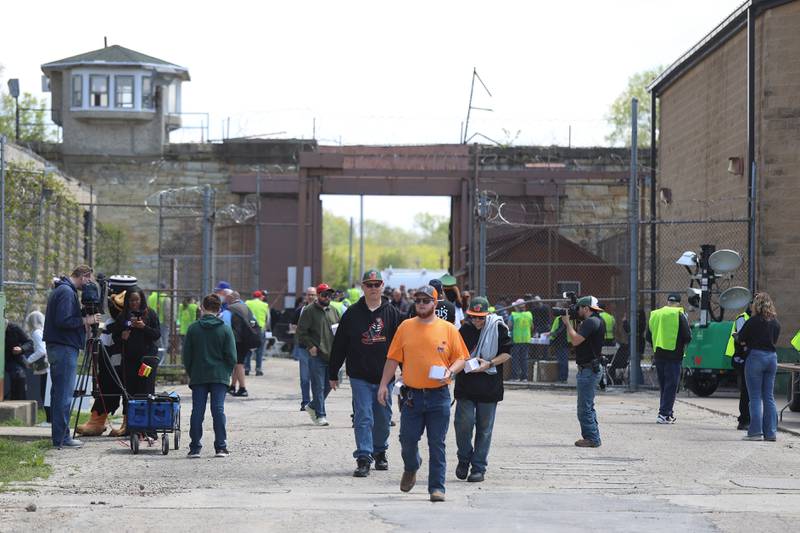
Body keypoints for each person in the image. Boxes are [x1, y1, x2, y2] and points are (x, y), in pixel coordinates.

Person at [378, 285, 469, 503]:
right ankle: (411, 466)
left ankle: (437, 488)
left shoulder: (448, 329)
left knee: (437, 443)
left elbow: (462, 358)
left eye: (426, 301)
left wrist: (450, 370)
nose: (421, 304)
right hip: (412, 396)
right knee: (407, 440)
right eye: (418, 300)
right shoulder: (405, 327)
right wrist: (383, 385)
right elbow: (392, 358)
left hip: (439, 396)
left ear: (435, 304)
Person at [329, 269, 402, 477]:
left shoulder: (393, 313)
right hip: (359, 375)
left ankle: (380, 451)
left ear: (382, 287)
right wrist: (333, 372)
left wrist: (406, 373)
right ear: (363, 287)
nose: (373, 288)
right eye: (369, 285)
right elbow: (340, 345)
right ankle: (363, 457)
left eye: (376, 284)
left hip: (384, 377)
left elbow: (402, 346)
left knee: (383, 417)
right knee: (363, 416)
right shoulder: (352, 313)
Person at [454, 296, 511, 483]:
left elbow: (507, 353)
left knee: (484, 429)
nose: (477, 321)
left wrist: (489, 363)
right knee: (463, 425)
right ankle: (464, 459)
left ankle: (478, 468)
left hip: (489, 386)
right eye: (473, 317)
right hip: (466, 385)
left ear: (488, 315)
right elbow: (455, 354)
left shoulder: (498, 328)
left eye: (481, 317)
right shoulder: (464, 329)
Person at [43, 265, 101, 449]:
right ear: (83, 276)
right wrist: (87, 320)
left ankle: (59, 437)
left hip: (58, 346)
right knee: (64, 395)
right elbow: (64, 321)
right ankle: (63, 438)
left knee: (58, 393)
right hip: (64, 346)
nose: (89, 284)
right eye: (89, 280)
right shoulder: (67, 292)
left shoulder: (62, 289)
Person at [183, 294, 237, 458]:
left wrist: (192, 372)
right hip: (219, 375)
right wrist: (226, 372)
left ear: (202, 308)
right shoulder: (225, 328)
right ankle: (220, 447)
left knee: (197, 410)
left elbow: (187, 356)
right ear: (219, 309)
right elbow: (232, 357)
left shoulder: (193, 328)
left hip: (199, 374)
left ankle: (194, 448)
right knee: (218, 410)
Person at [110, 287, 161, 437]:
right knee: (130, 394)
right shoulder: (122, 317)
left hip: (147, 361)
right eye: (131, 300)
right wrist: (123, 337)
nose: (134, 303)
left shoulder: (150, 314)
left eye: (137, 300)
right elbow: (115, 338)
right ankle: (132, 428)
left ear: (141, 300)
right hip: (129, 361)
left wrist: (144, 327)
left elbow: (156, 334)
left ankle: (149, 429)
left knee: (146, 392)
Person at [562, 296, 606, 448]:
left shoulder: (590, 322)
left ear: (586, 308)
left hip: (588, 370)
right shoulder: (596, 320)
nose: (577, 310)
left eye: (579, 308)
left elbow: (575, 341)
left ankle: (592, 438)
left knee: (584, 408)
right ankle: (593, 436)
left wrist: (567, 323)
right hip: (589, 368)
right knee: (588, 406)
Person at [737, 292, 780, 442]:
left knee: (755, 397)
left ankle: (755, 432)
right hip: (772, 358)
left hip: (755, 357)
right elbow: (774, 339)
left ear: (756, 305)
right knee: (769, 396)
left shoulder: (753, 321)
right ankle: (771, 433)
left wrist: (741, 340)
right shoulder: (775, 322)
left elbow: (741, 338)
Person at [297, 283, 341, 426]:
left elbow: (340, 330)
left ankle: (312, 405)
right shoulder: (309, 311)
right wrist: (310, 346)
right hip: (317, 355)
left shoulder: (334, 310)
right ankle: (320, 415)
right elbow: (301, 332)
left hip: (333, 355)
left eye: (329, 295)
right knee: (318, 386)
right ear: (318, 295)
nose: (327, 297)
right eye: (324, 295)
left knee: (330, 385)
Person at [646, 294, 692, 424]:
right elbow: (687, 336)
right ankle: (664, 414)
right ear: (678, 303)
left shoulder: (655, 314)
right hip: (674, 355)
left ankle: (667, 412)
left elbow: (648, 336)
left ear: (667, 302)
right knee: (671, 386)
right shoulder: (679, 314)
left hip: (659, 354)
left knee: (664, 385)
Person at [726, 302, 752, 430]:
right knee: (746, 391)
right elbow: (742, 339)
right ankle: (744, 420)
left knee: (749, 391)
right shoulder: (742, 318)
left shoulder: (760, 318)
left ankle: (749, 419)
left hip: (750, 357)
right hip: (741, 357)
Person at [227, 291, 258, 397]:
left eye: (228, 298)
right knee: (238, 363)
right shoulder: (246, 307)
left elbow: (227, 325)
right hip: (247, 339)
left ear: (231, 298)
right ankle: (232, 386)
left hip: (236, 340)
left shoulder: (230, 309)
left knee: (239, 364)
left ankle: (242, 388)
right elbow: (254, 322)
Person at [291, 287, 316, 410]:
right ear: (305, 296)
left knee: (317, 378)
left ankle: (316, 403)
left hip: (318, 349)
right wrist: (302, 334)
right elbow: (293, 325)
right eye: (309, 294)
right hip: (303, 348)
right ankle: (305, 402)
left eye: (313, 294)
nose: (311, 296)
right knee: (305, 377)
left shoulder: (322, 310)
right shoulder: (300, 311)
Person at [25, 311, 50, 422]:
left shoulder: (36, 333)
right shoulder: (43, 331)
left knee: (44, 394)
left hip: (45, 368)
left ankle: (49, 420)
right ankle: (50, 419)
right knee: (46, 393)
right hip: (48, 367)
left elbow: (41, 350)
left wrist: (29, 360)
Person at [4, 320, 34, 400]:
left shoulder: (15, 328)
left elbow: (29, 342)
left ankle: (17, 403)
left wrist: (21, 349)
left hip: (12, 360)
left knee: (19, 375)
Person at [245, 290, 269, 376]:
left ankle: (247, 368)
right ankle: (258, 369)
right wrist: (267, 329)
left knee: (248, 349)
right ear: (260, 297)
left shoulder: (247, 303)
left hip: (249, 329)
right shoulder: (265, 305)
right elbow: (267, 319)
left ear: (253, 296)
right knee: (260, 350)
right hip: (260, 330)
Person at [509, 298, 533, 381]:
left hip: (516, 339)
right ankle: (524, 377)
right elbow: (531, 326)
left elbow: (510, 326)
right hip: (526, 339)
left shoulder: (513, 315)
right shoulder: (529, 314)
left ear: (517, 307)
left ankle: (515, 377)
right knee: (524, 359)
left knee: (515, 359)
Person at [549, 310, 570, 383]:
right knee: (562, 360)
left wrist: (552, 334)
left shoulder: (562, 318)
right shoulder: (564, 318)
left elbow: (560, 329)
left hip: (561, 342)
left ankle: (562, 378)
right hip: (563, 341)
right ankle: (562, 378)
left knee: (562, 361)